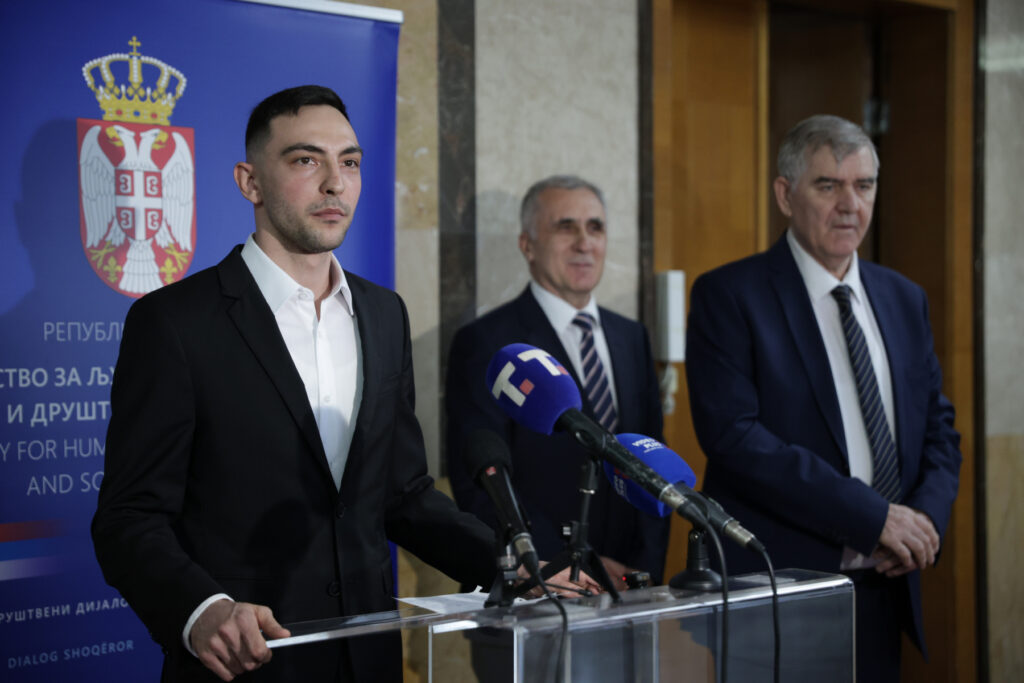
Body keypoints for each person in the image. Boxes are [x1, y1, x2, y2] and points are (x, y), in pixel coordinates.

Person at [91, 86, 594, 683]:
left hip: (368, 656)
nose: (335, 183)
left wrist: (517, 568)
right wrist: (201, 610)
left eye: (349, 162)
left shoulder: (384, 313)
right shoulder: (175, 322)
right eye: (306, 160)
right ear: (250, 182)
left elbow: (404, 496)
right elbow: (129, 517)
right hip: (248, 665)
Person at [685, 114, 961, 682]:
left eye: (864, 186)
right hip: (777, 593)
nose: (849, 205)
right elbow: (734, 437)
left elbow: (938, 429)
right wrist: (872, 517)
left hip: (886, 585)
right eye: (828, 185)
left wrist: (920, 523)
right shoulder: (729, 296)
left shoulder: (904, 298)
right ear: (785, 195)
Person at [446, 175, 670, 589]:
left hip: (629, 586)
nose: (585, 243)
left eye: (595, 227)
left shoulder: (631, 336)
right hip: (538, 586)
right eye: (566, 227)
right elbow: (481, 482)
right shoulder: (487, 343)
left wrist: (642, 568)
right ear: (528, 245)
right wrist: (561, 566)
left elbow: (652, 460)